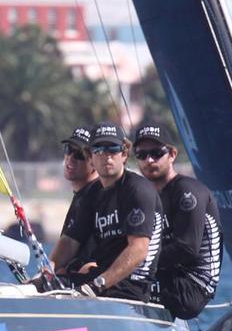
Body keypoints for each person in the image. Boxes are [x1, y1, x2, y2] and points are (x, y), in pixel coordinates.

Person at [50, 122, 162, 302]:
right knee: (46, 287)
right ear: (91, 157)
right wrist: (46, 272)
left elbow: (139, 248)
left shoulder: (138, 189)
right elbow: (70, 241)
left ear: (124, 154)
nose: (105, 156)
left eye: (112, 149)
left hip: (130, 287)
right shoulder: (91, 194)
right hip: (99, 280)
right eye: (98, 149)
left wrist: (97, 284)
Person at [133, 123, 222, 319]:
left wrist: (135, 263)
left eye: (156, 153)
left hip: (193, 287)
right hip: (168, 278)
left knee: (119, 284)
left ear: (172, 154)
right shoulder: (150, 196)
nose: (149, 160)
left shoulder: (186, 191)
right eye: (141, 155)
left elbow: (186, 248)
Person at [49, 126, 99, 275]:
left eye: (80, 155)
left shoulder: (96, 195)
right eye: (68, 150)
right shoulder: (81, 195)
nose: (70, 158)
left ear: (94, 162)